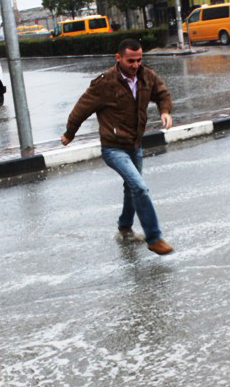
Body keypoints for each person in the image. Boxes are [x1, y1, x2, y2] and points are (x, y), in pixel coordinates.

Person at [61, 38, 174, 255]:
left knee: (131, 189)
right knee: (139, 187)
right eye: (131, 60)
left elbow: (162, 94)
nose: (135, 65)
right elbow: (81, 109)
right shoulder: (105, 83)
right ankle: (154, 238)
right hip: (113, 148)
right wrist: (69, 134)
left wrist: (165, 111)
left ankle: (124, 226)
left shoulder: (146, 76)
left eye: (139, 60)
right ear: (119, 58)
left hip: (135, 145)